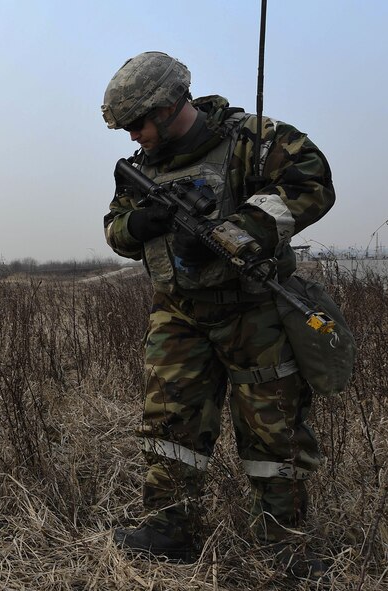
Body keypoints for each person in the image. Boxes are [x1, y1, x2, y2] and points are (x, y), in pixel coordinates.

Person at [100, 52, 335, 580]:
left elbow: (312, 184)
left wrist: (235, 233)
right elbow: (114, 230)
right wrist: (141, 224)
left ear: (166, 107)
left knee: (274, 433)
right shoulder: (141, 169)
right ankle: (167, 529)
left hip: (254, 311)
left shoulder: (254, 140)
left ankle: (285, 542)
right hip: (178, 315)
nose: (133, 136)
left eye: (137, 123)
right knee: (169, 425)